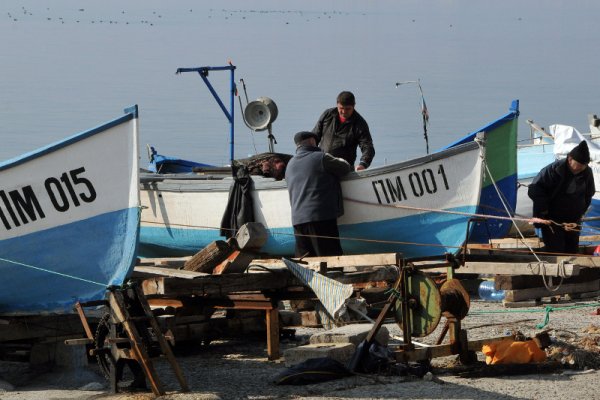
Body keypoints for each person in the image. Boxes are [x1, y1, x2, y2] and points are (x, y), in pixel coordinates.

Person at [285, 131, 353, 257]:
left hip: (298, 221)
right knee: (331, 260)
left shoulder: (290, 164)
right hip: (320, 218)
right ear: (312, 141)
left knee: (305, 262)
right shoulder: (321, 157)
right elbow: (345, 168)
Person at [528, 140, 595, 253]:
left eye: (584, 166)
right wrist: (543, 209)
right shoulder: (553, 170)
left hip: (573, 219)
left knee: (572, 249)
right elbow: (534, 189)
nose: (581, 168)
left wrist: (581, 211)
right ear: (570, 159)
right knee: (556, 249)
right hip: (552, 218)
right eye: (579, 165)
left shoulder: (587, 172)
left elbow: (589, 193)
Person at [312, 91, 375, 171]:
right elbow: (314, 137)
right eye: (341, 108)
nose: (344, 112)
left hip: (342, 169)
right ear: (337, 105)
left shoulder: (359, 123)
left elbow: (368, 147)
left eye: (348, 109)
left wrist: (363, 164)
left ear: (354, 106)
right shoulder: (328, 115)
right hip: (321, 163)